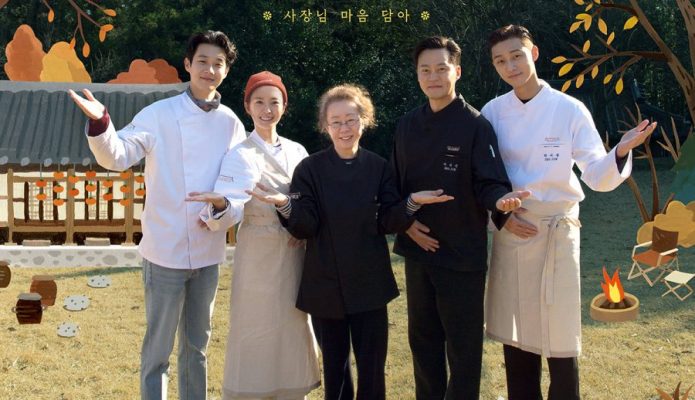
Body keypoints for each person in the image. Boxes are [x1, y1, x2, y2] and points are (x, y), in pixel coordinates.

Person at [249, 84, 469, 400]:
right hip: (325, 286)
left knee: (372, 370)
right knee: (335, 371)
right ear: (325, 126)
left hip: (370, 285)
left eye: (351, 120)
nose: (344, 128)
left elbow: (388, 220)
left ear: (364, 120)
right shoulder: (310, 169)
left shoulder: (379, 167)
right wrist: (285, 204)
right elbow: (305, 226)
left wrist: (411, 203)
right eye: (336, 122)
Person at [68, 31, 246, 400]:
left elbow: (239, 187)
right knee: (158, 351)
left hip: (208, 252)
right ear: (188, 64)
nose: (210, 69)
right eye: (202, 61)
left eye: (218, 63)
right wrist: (101, 123)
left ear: (226, 71)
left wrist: (223, 210)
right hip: (165, 250)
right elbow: (117, 156)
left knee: (197, 347)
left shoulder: (231, 123)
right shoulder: (158, 114)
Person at [481, 25, 656, 400]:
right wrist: (503, 217)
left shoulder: (569, 109)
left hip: (558, 231)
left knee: (561, 334)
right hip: (513, 231)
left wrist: (620, 151)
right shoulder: (492, 113)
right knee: (518, 334)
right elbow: (482, 177)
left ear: (534, 53)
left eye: (516, 56)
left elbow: (595, 173)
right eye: (500, 61)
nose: (510, 66)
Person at [390, 36, 530, 399]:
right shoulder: (407, 124)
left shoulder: (475, 125)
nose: (433, 77)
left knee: (463, 348)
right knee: (423, 342)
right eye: (425, 70)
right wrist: (406, 223)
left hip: (461, 254)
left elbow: (490, 182)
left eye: (441, 68)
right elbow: (394, 186)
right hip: (418, 250)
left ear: (457, 71)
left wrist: (501, 202)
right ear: (417, 75)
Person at [185, 71, 320, 400]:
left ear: (284, 106)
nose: (266, 110)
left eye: (274, 102)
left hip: (293, 252)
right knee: (255, 325)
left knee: (293, 322)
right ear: (247, 106)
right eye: (259, 102)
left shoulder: (298, 151)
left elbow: (312, 201)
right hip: (257, 251)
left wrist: (303, 228)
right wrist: (220, 205)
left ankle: (292, 392)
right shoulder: (240, 154)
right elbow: (232, 204)